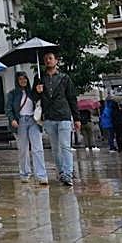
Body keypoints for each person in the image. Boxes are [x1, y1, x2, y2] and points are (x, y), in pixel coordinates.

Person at [35, 51, 77, 187]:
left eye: (50, 58)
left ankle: (68, 173)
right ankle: (60, 172)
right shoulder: (40, 78)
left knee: (65, 146)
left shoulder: (64, 78)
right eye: (46, 59)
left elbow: (72, 98)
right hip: (49, 116)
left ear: (56, 61)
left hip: (63, 115)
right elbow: (33, 97)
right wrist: (37, 91)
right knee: (55, 148)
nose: (48, 61)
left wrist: (76, 118)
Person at [6, 72, 47, 186]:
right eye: (20, 79)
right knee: (23, 149)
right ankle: (25, 173)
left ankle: (41, 175)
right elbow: (8, 108)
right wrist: (12, 119)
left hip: (33, 120)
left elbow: (40, 102)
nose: (23, 81)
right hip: (21, 121)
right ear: (17, 81)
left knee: (37, 148)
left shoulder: (32, 93)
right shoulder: (13, 94)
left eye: (25, 79)